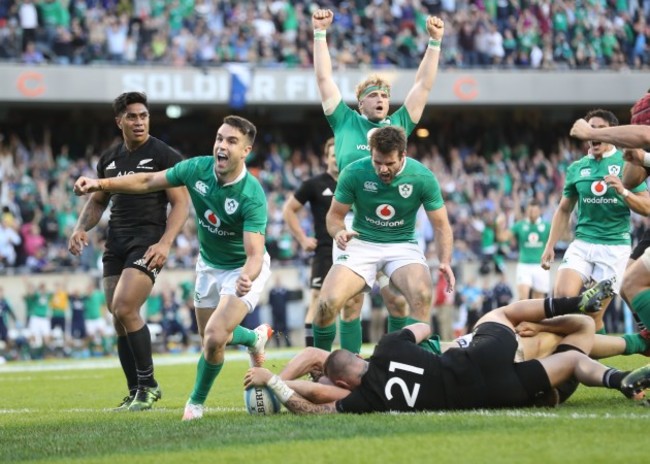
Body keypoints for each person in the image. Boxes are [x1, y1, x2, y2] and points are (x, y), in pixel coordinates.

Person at [73, 115, 273, 422]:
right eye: (220, 138)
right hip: (208, 265)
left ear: (246, 150)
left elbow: (255, 254)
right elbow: (146, 180)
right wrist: (99, 183)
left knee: (215, 336)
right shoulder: (197, 168)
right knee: (209, 337)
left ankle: (195, 403)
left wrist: (246, 276)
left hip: (240, 269)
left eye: (232, 141)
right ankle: (252, 339)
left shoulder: (252, 195)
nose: (221, 145)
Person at [244, 279, 650, 414]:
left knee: (570, 351)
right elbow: (420, 327)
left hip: (495, 387)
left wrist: (277, 383)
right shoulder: (386, 349)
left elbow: (317, 393)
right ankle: (628, 354)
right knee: (546, 323)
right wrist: (279, 382)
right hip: (474, 353)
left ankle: (624, 366)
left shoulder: (366, 394)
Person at [311, 8, 446, 348]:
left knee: (399, 301)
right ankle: (337, 365)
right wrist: (319, 34)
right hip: (353, 221)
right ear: (360, 102)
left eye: (385, 95)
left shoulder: (399, 126)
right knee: (349, 303)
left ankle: (403, 360)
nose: (381, 100)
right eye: (373, 95)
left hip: (395, 225)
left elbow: (423, 85)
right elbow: (325, 80)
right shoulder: (344, 121)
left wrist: (434, 42)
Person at [68, 91, 191, 411]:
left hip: (147, 241)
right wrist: (81, 227)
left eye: (144, 116)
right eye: (132, 116)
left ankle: (149, 385)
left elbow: (180, 204)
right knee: (117, 316)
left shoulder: (164, 155)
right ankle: (136, 389)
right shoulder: (109, 159)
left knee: (125, 307)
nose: (139, 122)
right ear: (119, 121)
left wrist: (165, 243)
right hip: (116, 243)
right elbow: (97, 202)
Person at [313, 126, 455, 354]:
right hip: (361, 243)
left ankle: (406, 363)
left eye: (389, 164)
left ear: (403, 156)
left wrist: (445, 261)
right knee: (326, 304)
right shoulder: (354, 172)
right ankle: (318, 366)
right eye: (377, 162)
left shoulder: (422, 177)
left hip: (402, 245)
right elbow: (334, 216)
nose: (382, 169)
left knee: (422, 295)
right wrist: (338, 231)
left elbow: (441, 225)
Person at [541, 109, 649, 333]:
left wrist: (623, 192)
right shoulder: (577, 168)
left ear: (612, 133)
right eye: (591, 129)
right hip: (582, 243)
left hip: (614, 247)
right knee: (563, 300)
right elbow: (564, 209)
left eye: (601, 129)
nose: (594, 134)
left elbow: (647, 207)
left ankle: (592, 362)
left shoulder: (626, 161)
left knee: (592, 316)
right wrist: (550, 245)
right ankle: (577, 358)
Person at [569, 92, 650, 354]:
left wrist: (599, 133)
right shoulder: (579, 167)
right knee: (630, 284)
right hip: (586, 241)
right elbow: (631, 175)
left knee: (631, 284)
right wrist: (635, 152)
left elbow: (645, 138)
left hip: (615, 242)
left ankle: (642, 344)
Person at [282, 137, 362, 347]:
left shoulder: (356, 181)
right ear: (326, 158)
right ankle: (313, 360)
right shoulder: (314, 184)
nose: (337, 159)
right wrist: (301, 238)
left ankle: (348, 358)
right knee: (318, 299)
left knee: (351, 302)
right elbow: (289, 209)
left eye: (340, 155)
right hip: (325, 250)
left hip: (353, 250)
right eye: (333, 155)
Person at [499, 200, 551, 299]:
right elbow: (503, 237)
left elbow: (560, 237)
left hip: (540, 265)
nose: (532, 213)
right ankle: (522, 314)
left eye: (535, 211)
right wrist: (499, 227)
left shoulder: (546, 226)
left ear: (540, 211)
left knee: (539, 300)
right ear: (527, 211)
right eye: (530, 211)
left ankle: (536, 315)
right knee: (523, 298)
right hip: (524, 265)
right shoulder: (520, 225)